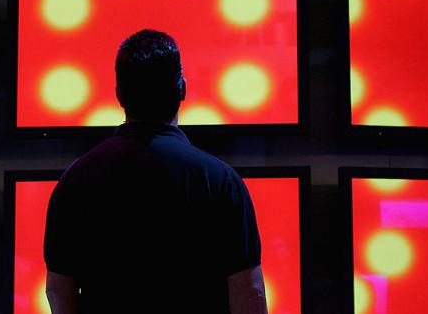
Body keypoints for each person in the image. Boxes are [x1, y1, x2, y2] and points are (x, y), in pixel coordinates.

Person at [44, 29, 268, 314]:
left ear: (119, 95)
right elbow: (248, 290)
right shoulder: (221, 181)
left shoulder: (74, 181)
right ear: (182, 89)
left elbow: (59, 288)